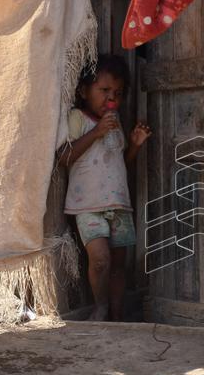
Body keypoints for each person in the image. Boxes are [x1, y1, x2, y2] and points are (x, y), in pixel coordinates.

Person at [60, 54, 151, 321]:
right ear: (83, 91)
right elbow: (65, 157)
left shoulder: (115, 122)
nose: (112, 98)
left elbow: (121, 164)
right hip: (87, 204)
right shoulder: (78, 118)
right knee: (100, 260)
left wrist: (134, 144)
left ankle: (116, 315)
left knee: (119, 266)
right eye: (104, 91)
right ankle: (100, 307)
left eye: (118, 93)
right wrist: (97, 132)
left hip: (119, 204)